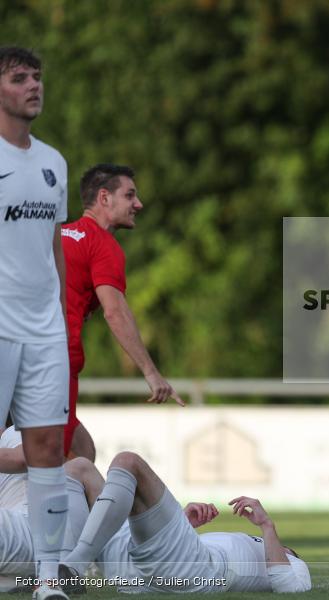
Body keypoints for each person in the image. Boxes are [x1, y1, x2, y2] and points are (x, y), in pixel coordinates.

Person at [0, 46, 71, 600]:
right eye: (19, 78)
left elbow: (53, 248)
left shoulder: (54, 161)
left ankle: (48, 581)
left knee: (47, 446)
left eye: (37, 77)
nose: (33, 86)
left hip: (44, 329)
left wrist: (61, 318)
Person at [62, 164, 184, 460]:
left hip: (15, 352)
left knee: (81, 452)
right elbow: (115, 312)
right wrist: (152, 373)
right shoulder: (103, 245)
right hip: (54, 359)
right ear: (104, 198)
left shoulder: (57, 235)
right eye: (130, 195)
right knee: (47, 460)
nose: (138, 204)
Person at [61, 451, 311, 594]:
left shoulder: (293, 562)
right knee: (78, 468)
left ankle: (72, 565)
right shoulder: (258, 549)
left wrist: (267, 526)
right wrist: (182, 523)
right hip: (139, 570)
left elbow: (289, 587)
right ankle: (58, 571)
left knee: (129, 463)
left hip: (195, 572)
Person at [0, 424, 103, 594]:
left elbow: (24, 459)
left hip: (31, 534)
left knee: (79, 467)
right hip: (28, 550)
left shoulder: (16, 431)